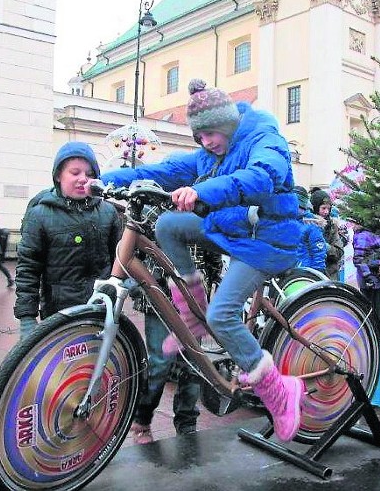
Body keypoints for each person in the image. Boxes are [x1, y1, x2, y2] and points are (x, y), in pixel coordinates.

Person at [101, 78, 304, 443]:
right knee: (169, 225)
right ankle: (192, 315)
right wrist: (100, 178)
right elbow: (160, 172)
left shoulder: (264, 137)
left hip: (266, 239)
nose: (206, 142)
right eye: (199, 136)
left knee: (223, 316)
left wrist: (200, 190)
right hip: (236, 229)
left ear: (227, 124)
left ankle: (279, 392)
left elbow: (262, 178)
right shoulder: (211, 155)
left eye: (210, 133)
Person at [14, 141, 122, 340]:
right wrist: (27, 318)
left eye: (90, 175)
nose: (83, 179)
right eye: (75, 173)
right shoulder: (40, 214)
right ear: (58, 175)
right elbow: (27, 269)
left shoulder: (108, 212)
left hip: (102, 312)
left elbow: (120, 259)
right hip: (59, 316)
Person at [124, 272, 201, 444]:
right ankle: (142, 420)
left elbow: (212, 250)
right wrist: (135, 285)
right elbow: (130, 252)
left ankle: (187, 421)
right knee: (160, 363)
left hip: (193, 297)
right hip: (158, 297)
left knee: (193, 364)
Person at [352, 224, 380, 338]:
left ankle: (378, 334)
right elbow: (358, 259)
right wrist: (367, 276)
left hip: (377, 277)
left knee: (377, 309)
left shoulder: (378, 235)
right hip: (368, 278)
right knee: (368, 308)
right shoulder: (363, 236)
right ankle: (369, 335)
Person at [309, 189, 344, 280]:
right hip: (309, 274)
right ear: (315, 208)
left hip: (329, 274)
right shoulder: (307, 225)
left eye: (328, 208)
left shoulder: (332, 226)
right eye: (323, 208)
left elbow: (339, 251)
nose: (326, 212)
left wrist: (326, 247)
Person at [293, 186, 326, 274]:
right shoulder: (287, 223)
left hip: (305, 272)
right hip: (288, 272)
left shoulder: (311, 224)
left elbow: (318, 251)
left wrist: (317, 273)